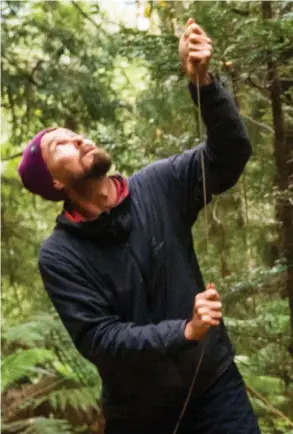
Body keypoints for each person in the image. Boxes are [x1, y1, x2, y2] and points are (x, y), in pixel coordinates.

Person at [18, 18, 261, 434]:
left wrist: (203, 86)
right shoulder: (60, 254)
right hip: (140, 416)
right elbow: (101, 340)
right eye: (60, 144)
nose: (78, 139)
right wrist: (185, 330)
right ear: (55, 182)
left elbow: (230, 154)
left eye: (75, 133)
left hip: (214, 388)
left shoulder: (158, 185)